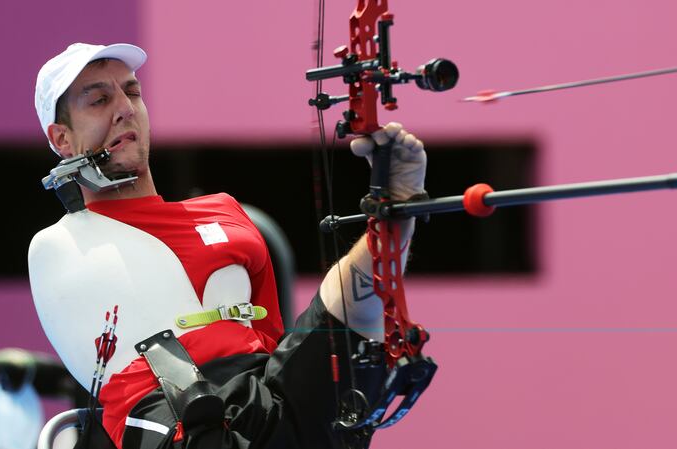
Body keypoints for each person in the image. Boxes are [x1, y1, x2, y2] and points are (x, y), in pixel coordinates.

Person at [28, 43, 427, 449]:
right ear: (61, 139)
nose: (125, 109)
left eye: (132, 92)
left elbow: (292, 349)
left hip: (263, 399)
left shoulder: (225, 212)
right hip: (178, 423)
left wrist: (393, 210)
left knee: (342, 334)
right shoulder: (60, 245)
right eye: (98, 100)